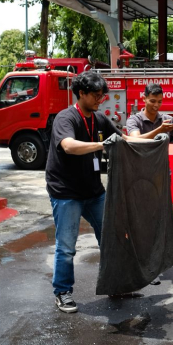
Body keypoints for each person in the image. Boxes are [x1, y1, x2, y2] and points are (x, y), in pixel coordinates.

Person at [46, 70, 137, 313]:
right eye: (96, 95)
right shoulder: (65, 118)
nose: (101, 99)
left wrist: (155, 139)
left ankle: (114, 282)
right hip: (66, 192)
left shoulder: (99, 119)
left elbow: (124, 141)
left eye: (102, 95)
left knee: (110, 236)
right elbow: (69, 146)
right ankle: (62, 292)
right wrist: (102, 145)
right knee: (66, 246)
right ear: (82, 93)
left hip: (93, 190)